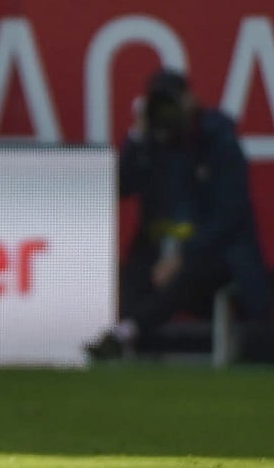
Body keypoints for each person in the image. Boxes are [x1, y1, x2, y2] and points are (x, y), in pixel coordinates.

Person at [87, 70, 270, 360]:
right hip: (160, 250)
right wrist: (136, 135)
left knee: (183, 275)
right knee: (134, 274)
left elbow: (230, 217)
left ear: (190, 100)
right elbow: (121, 185)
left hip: (214, 258)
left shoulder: (218, 140)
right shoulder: (152, 141)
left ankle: (126, 333)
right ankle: (127, 340)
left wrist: (183, 254)